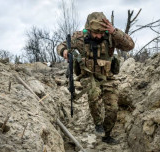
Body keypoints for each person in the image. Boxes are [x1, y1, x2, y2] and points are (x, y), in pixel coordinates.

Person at [57, 12, 134, 145]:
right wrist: (64, 51)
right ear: (89, 29)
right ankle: (98, 124)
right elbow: (60, 46)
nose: (98, 35)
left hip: (107, 77)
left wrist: (115, 31)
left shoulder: (111, 36)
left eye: (101, 32)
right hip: (88, 75)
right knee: (94, 93)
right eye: (95, 33)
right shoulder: (80, 37)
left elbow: (130, 45)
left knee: (113, 107)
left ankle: (107, 134)